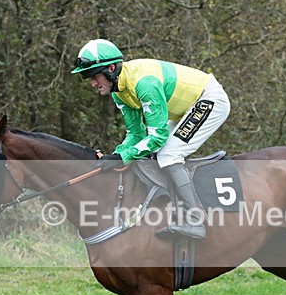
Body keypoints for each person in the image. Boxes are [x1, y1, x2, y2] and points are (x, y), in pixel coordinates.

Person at [72, 39, 231, 239]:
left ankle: (195, 221)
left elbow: (157, 136)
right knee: (154, 154)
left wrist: (124, 158)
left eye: (95, 76)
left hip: (209, 99)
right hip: (183, 110)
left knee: (168, 153)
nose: (93, 83)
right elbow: (136, 135)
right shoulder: (118, 91)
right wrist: (116, 156)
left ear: (111, 69)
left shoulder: (144, 84)